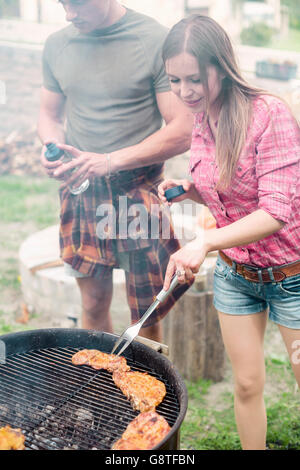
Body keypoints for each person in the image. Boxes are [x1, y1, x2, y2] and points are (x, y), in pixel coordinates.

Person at [158, 15, 300, 450]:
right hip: (237, 276)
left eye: (195, 78)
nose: (185, 92)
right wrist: (191, 193)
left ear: (221, 65)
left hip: (291, 276)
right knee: (247, 384)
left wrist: (203, 242)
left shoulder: (269, 114)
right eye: (175, 80)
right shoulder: (203, 115)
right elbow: (231, 195)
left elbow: (275, 211)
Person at [37, 0, 194, 342]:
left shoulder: (153, 40)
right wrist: (51, 146)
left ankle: (150, 388)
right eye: (62, 3)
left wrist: (108, 161)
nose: (68, 13)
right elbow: (49, 115)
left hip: (137, 191)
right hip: (81, 193)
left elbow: (182, 129)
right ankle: (100, 386)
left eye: (76, 4)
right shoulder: (57, 45)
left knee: (147, 309)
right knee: (92, 302)